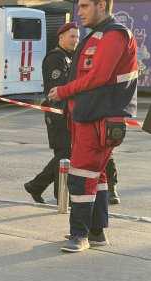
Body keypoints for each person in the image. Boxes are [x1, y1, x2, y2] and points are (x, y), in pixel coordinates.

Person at [49, 0, 138, 252]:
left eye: (85, 5)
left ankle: (80, 235)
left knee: (81, 174)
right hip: (91, 116)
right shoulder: (99, 34)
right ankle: (96, 232)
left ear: (102, 4)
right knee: (96, 176)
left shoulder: (114, 34)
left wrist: (63, 92)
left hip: (99, 118)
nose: (80, 11)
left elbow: (97, 76)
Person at [24, 22, 79, 204]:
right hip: (56, 114)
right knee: (64, 154)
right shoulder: (56, 58)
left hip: (65, 113)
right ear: (61, 37)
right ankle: (60, 196)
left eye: (77, 37)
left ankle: (37, 186)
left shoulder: (69, 57)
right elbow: (61, 86)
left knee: (64, 154)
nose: (75, 40)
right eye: (72, 36)